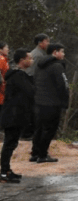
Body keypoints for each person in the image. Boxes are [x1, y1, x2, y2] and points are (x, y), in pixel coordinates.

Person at [31, 43, 70, 163]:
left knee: (39, 128)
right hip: (52, 103)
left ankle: (35, 153)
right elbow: (63, 85)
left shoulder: (39, 65)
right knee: (49, 129)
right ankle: (43, 155)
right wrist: (65, 102)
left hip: (39, 101)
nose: (63, 54)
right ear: (55, 52)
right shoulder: (57, 66)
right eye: (62, 52)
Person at [1, 49, 34, 183]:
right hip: (13, 116)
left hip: (15, 115)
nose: (31, 61)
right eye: (29, 58)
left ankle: (6, 169)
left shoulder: (18, 75)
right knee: (9, 144)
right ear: (22, 60)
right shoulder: (18, 76)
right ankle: (3, 172)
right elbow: (31, 91)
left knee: (11, 143)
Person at [22, 34, 48, 141]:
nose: (48, 43)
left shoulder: (39, 53)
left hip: (32, 85)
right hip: (32, 85)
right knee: (32, 110)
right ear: (40, 43)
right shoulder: (37, 55)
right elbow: (30, 72)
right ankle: (27, 134)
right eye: (47, 41)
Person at [0, 41, 8, 117]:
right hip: (1, 92)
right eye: (6, 47)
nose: (8, 49)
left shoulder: (4, 59)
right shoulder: (1, 59)